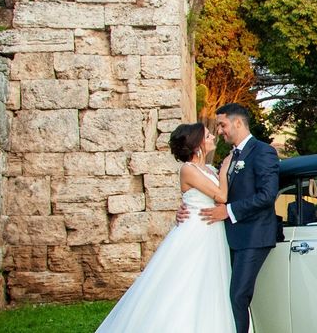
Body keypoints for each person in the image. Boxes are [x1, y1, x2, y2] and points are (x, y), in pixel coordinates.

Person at [97, 123, 236, 333]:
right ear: (197, 143)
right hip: (196, 232)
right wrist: (225, 170)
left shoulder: (208, 169)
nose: (212, 138)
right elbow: (221, 196)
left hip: (212, 231)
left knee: (209, 285)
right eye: (207, 136)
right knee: (184, 284)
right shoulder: (188, 170)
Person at [181, 103, 279, 333]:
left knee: (237, 296)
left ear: (238, 122)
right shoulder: (231, 156)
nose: (220, 131)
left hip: (254, 236)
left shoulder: (262, 151)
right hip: (230, 237)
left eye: (222, 125)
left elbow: (267, 195)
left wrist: (229, 211)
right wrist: (187, 206)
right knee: (228, 296)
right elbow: (212, 191)